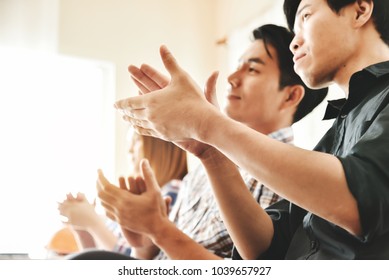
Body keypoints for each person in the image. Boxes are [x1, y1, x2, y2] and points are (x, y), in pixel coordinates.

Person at [112, 0, 389, 259]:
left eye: (306, 15)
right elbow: (264, 249)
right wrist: (211, 153)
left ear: (360, 10)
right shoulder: (334, 136)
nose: (295, 42)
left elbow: (360, 200)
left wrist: (208, 124)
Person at [96, 24, 327, 260]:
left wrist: (159, 230)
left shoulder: (289, 173)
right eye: (238, 65)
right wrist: (144, 241)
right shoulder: (203, 163)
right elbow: (161, 251)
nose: (232, 77)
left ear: (290, 96)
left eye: (253, 70)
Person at [58, 133, 187, 256]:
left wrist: (93, 223)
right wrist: (83, 229)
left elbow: (132, 262)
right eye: (128, 143)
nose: (129, 150)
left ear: (161, 145)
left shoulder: (174, 189)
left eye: (136, 141)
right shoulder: (133, 202)